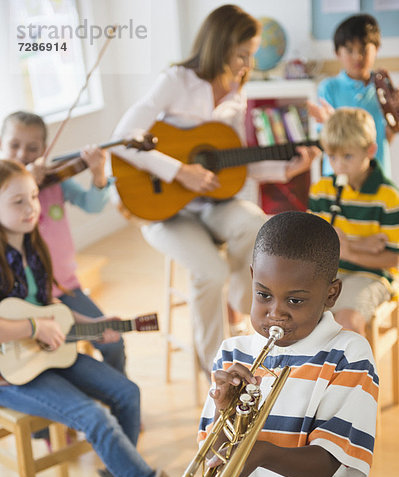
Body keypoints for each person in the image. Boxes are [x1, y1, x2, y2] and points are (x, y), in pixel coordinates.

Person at [112, 4, 319, 377]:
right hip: (165, 210)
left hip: (214, 204)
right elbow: (123, 140)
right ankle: (216, 369)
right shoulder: (176, 80)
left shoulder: (236, 91)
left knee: (262, 227)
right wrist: (180, 171)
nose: (245, 64)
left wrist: (287, 168)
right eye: (241, 54)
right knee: (209, 271)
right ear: (219, 46)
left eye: (250, 56)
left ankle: (243, 305)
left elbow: (234, 160)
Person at [184, 211, 377, 477]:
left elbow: (326, 463)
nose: (276, 313)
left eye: (295, 300)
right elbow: (213, 462)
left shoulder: (348, 354)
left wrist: (259, 453)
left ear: (331, 294)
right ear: (252, 277)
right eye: (263, 295)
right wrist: (224, 410)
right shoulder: (232, 353)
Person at [0, 159, 176, 477]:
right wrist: (32, 327)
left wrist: (97, 326)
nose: (31, 207)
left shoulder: (34, 245)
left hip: (47, 355)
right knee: (92, 416)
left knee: (127, 393)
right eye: (18, 201)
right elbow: (30, 321)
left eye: (33, 196)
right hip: (9, 374)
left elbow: (47, 306)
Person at [0, 111, 126, 374]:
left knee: (113, 343)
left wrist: (98, 173)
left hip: (65, 288)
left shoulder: (55, 181)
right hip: (24, 297)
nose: (23, 154)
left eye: (32, 148)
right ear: (2, 144)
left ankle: (117, 389)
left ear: (45, 150)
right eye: (14, 145)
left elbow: (92, 205)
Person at [309, 107, 399, 337]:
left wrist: (349, 252)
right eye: (332, 157)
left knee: (346, 324)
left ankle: (355, 373)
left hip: (370, 276)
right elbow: (313, 246)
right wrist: (362, 244)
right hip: (327, 275)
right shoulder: (322, 191)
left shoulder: (388, 197)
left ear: (370, 150)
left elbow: (393, 258)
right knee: (298, 318)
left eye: (347, 156)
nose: (339, 166)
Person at [308, 13, 395, 178]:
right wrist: (329, 120)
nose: (357, 57)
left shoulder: (383, 88)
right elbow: (327, 141)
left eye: (363, 49)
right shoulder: (329, 87)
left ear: (376, 49)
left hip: (375, 174)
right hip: (337, 175)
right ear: (337, 53)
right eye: (349, 50)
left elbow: (384, 139)